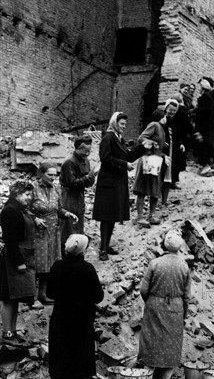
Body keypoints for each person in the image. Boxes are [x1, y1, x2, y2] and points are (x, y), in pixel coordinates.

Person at [46, 234, 104, 379]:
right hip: (81, 319)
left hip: (61, 318)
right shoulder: (87, 269)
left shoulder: (57, 266)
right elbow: (98, 296)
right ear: (82, 250)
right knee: (79, 355)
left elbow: (49, 293)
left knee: (58, 355)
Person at [137, 230, 191, 379]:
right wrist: (184, 312)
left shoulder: (155, 263)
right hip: (175, 307)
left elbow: (143, 289)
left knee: (151, 342)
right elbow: (187, 295)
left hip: (155, 305)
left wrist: (151, 301)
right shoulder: (184, 266)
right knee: (171, 347)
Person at [92, 112, 146, 260]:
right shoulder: (108, 137)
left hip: (117, 182)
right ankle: (102, 249)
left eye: (125, 124)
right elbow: (105, 158)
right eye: (122, 123)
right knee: (106, 216)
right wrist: (124, 165)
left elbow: (127, 156)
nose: (124, 126)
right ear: (115, 123)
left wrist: (142, 148)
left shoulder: (118, 138)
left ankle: (106, 244)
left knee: (112, 215)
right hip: (108, 182)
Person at [31, 162, 78, 304]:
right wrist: (35, 219)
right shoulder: (32, 188)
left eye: (55, 175)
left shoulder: (56, 188)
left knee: (49, 264)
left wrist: (68, 214)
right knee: (36, 264)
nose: (53, 177)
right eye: (49, 174)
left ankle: (42, 294)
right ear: (41, 173)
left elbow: (59, 209)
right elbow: (23, 209)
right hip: (37, 232)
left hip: (53, 231)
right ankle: (31, 297)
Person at [0, 180, 36, 347]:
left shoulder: (19, 209)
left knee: (15, 298)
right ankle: (7, 333)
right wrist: (19, 262)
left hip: (23, 255)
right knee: (8, 298)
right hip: (14, 259)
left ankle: (12, 332)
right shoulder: (9, 211)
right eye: (26, 195)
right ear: (17, 194)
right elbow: (10, 239)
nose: (29, 198)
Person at [133, 101, 178, 224]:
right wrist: (152, 143)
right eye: (164, 116)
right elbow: (141, 138)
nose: (165, 118)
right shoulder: (154, 124)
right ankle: (140, 216)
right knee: (142, 188)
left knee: (154, 188)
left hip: (155, 160)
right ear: (160, 117)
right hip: (148, 159)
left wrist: (163, 155)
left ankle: (151, 215)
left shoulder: (162, 129)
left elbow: (157, 147)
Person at [60, 136, 99, 255]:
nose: (87, 154)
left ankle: (77, 250)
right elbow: (73, 183)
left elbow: (88, 180)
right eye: (84, 151)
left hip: (80, 196)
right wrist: (91, 176)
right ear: (77, 149)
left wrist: (91, 178)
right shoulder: (69, 162)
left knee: (79, 223)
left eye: (89, 151)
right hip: (69, 196)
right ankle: (65, 252)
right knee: (69, 224)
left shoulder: (85, 160)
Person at [194, 79, 214, 176]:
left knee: (203, 147)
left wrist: (196, 110)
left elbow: (205, 112)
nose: (199, 90)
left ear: (203, 89)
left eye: (200, 88)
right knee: (205, 146)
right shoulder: (209, 98)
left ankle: (205, 168)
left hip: (203, 127)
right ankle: (204, 167)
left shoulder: (204, 98)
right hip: (208, 126)